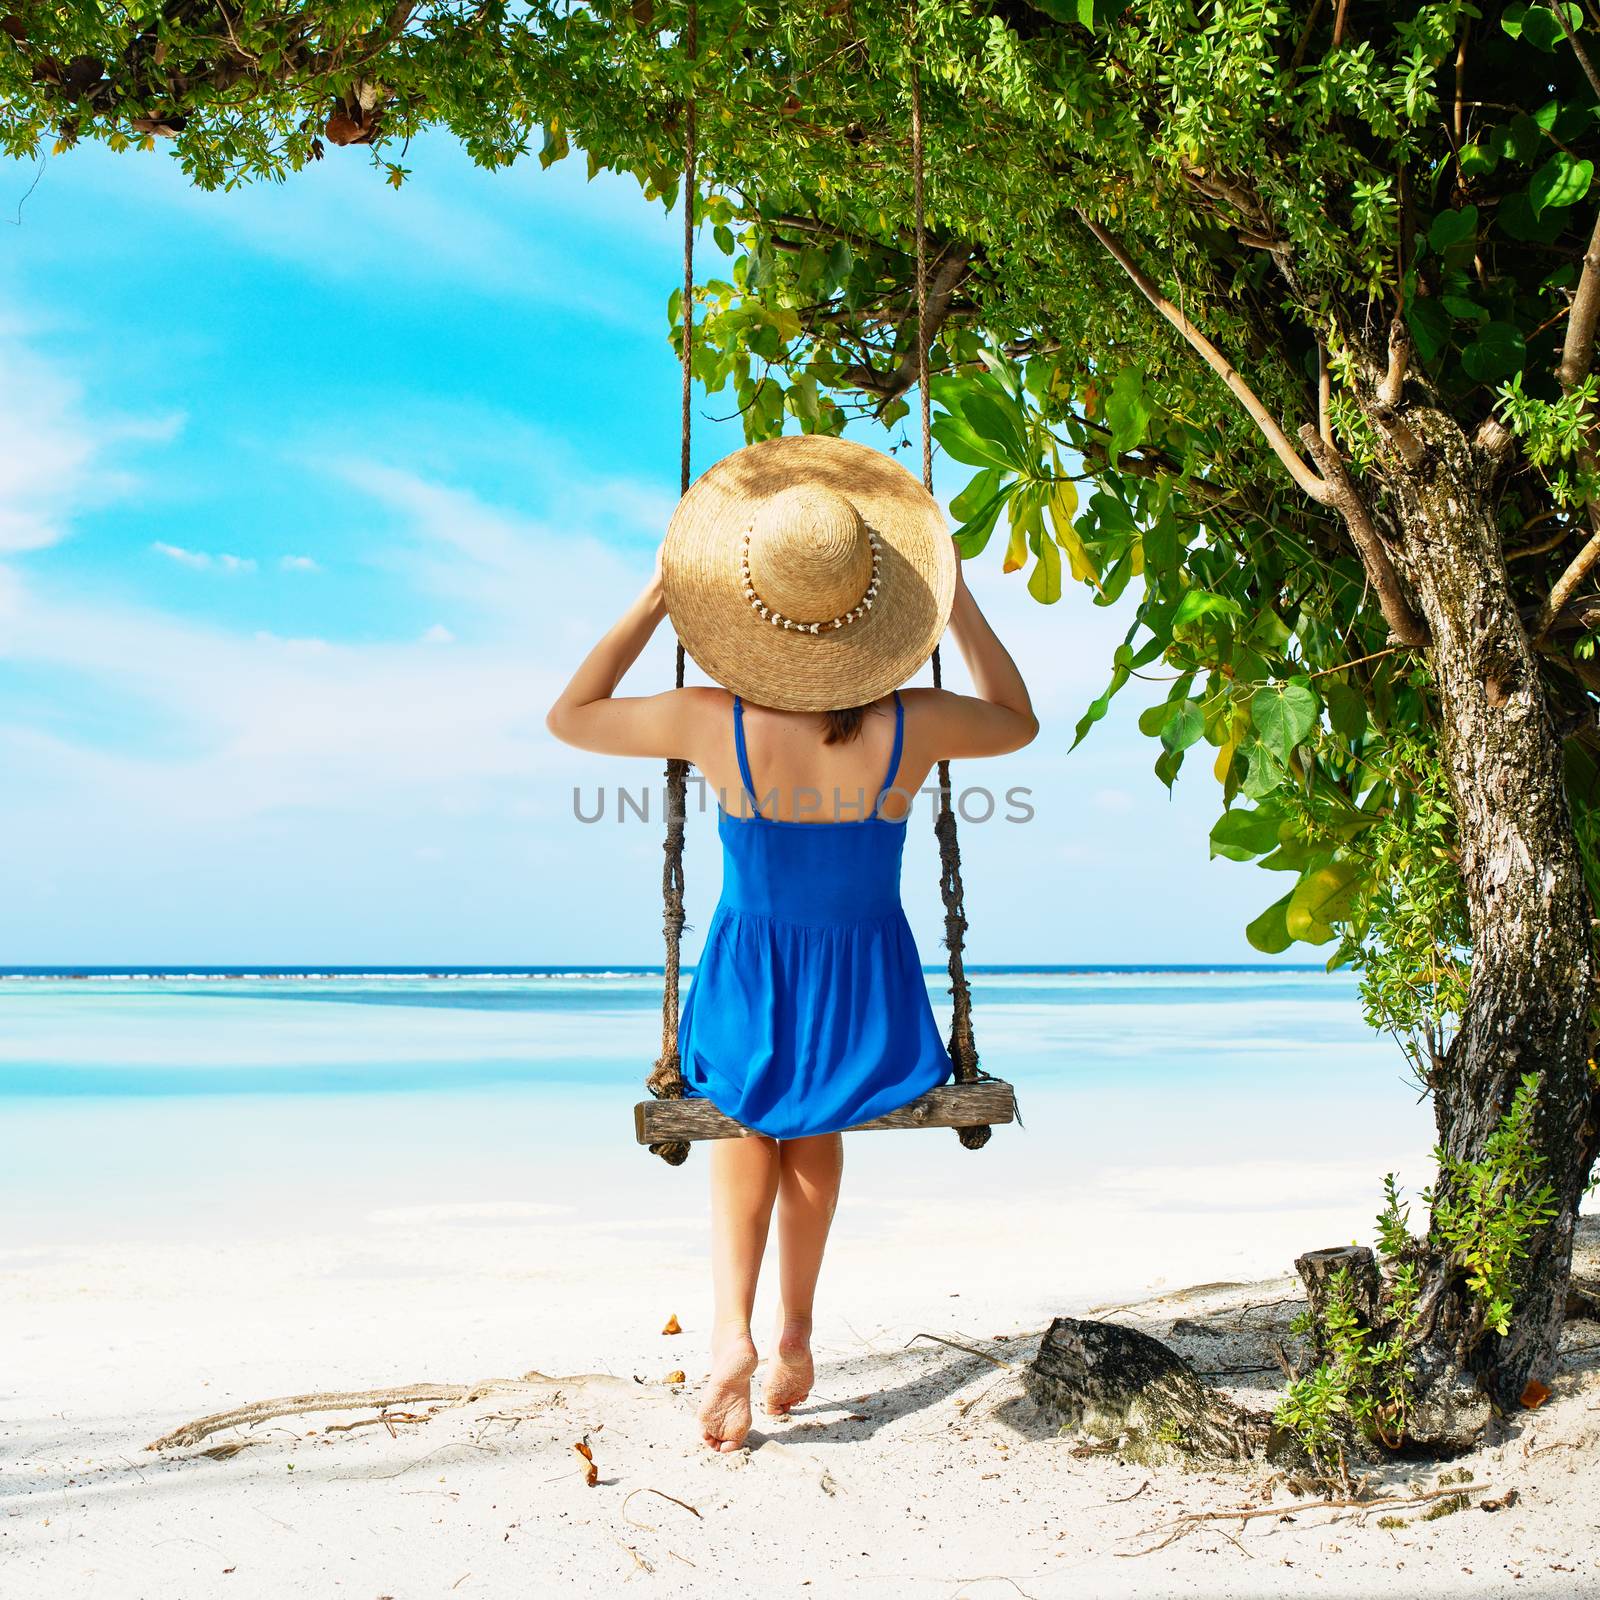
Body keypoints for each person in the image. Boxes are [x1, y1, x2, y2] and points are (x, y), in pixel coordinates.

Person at [547, 434, 1036, 1452]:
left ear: (748, 606)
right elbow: (1017, 721)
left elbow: (571, 715)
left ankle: (730, 1332)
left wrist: (654, 599)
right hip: (870, 990)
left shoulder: (708, 719)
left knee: (746, 1109)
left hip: (747, 975)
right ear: (873, 612)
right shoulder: (914, 720)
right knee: (809, 1112)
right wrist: (960, 602)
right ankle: (796, 1335)